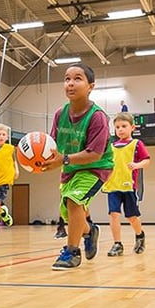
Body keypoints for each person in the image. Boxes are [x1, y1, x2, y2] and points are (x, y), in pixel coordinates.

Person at [41, 62, 114, 270]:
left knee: (74, 202)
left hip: (96, 166)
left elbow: (95, 153)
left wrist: (62, 159)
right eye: (67, 79)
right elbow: (53, 145)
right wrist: (42, 159)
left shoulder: (98, 117)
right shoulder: (59, 114)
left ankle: (72, 252)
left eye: (77, 79)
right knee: (70, 213)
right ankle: (89, 230)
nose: (70, 83)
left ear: (91, 86)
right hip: (70, 168)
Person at [102, 112, 150, 256]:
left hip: (129, 186)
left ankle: (140, 234)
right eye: (117, 127)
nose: (120, 129)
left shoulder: (136, 144)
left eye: (124, 126)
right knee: (114, 214)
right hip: (113, 186)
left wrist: (137, 165)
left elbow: (147, 161)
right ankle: (117, 244)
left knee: (131, 217)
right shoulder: (111, 146)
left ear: (132, 127)